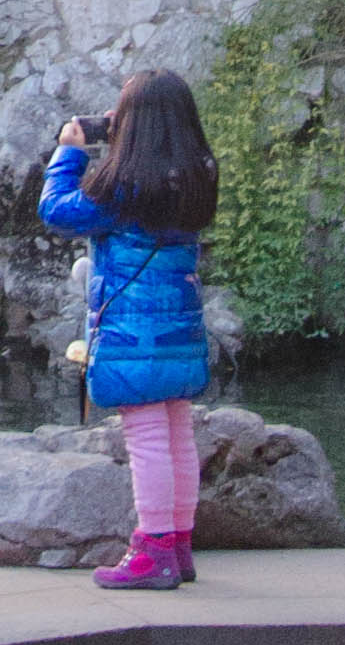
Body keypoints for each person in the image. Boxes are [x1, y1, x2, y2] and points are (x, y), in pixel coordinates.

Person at [39, 68, 217, 590]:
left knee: (146, 439)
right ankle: (180, 545)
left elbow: (56, 211)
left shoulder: (123, 186)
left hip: (131, 336)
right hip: (182, 332)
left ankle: (154, 550)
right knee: (177, 431)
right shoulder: (200, 172)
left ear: (132, 123)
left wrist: (70, 151)